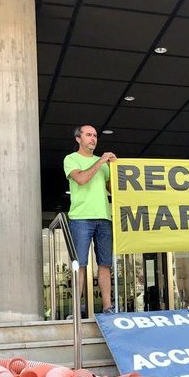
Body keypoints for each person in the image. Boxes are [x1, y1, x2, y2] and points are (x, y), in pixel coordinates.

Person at [64, 125, 117, 315]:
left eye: (95, 135)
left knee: (105, 264)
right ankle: (76, 311)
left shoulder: (103, 164)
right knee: (80, 264)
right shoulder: (71, 159)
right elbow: (81, 179)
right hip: (81, 218)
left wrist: (114, 168)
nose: (93, 139)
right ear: (78, 139)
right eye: (88, 135)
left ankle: (107, 307)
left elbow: (113, 189)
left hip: (104, 217)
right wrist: (101, 161)